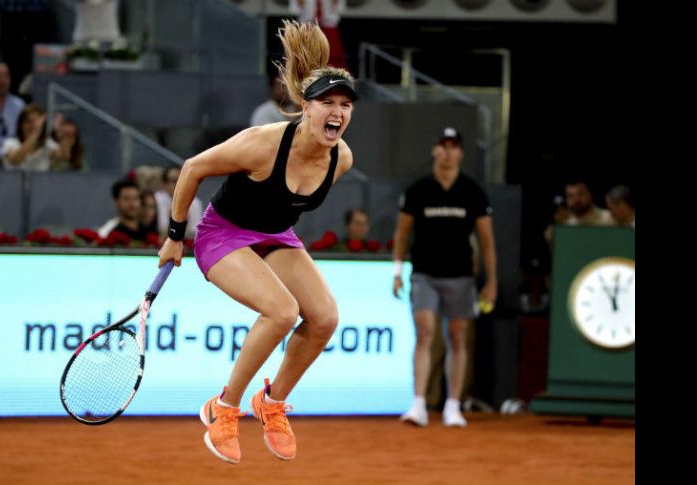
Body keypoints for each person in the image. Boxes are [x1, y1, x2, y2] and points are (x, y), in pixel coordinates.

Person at [157, 20, 357, 464]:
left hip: (275, 236)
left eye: (345, 104)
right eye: (328, 102)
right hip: (220, 234)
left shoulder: (340, 159)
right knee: (282, 310)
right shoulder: (263, 144)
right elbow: (191, 168)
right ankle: (223, 409)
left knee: (324, 318)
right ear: (306, 107)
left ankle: (272, 402)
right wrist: (175, 237)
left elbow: (281, 209)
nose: (338, 112)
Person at [392, 127, 497, 428]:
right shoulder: (418, 190)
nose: (448, 152)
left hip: (461, 276)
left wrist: (491, 282)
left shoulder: (473, 192)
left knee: (458, 336)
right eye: (443, 146)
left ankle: (453, 405)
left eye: (454, 147)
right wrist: (397, 271)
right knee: (424, 332)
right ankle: (419, 404)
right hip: (424, 273)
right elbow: (402, 233)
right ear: (434, 150)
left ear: (461, 152)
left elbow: (487, 241)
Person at [544, 178, 613, 244]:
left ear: (589, 195)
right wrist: (552, 242)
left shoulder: (609, 218)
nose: (576, 200)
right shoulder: (568, 227)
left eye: (580, 194)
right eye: (570, 196)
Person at [1, 104, 58, 171]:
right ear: (21, 124)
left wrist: (61, 134)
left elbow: (62, 157)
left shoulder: (48, 144)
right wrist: (36, 132)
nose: (33, 125)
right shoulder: (10, 143)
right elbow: (16, 160)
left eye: (37, 122)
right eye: (28, 121)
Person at [0, 62, 25, 165]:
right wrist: (2, 152)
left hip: (14, 156)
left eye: (6, 76)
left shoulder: (19, 105)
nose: (2, 81)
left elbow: (22, 136)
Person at [155, 165, 203, 240]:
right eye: (174, 181)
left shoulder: (195, 203)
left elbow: (195, 233)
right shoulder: (157, 198)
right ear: (164, 184)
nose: (179, 184)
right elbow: (161, 229)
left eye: (181, 180)